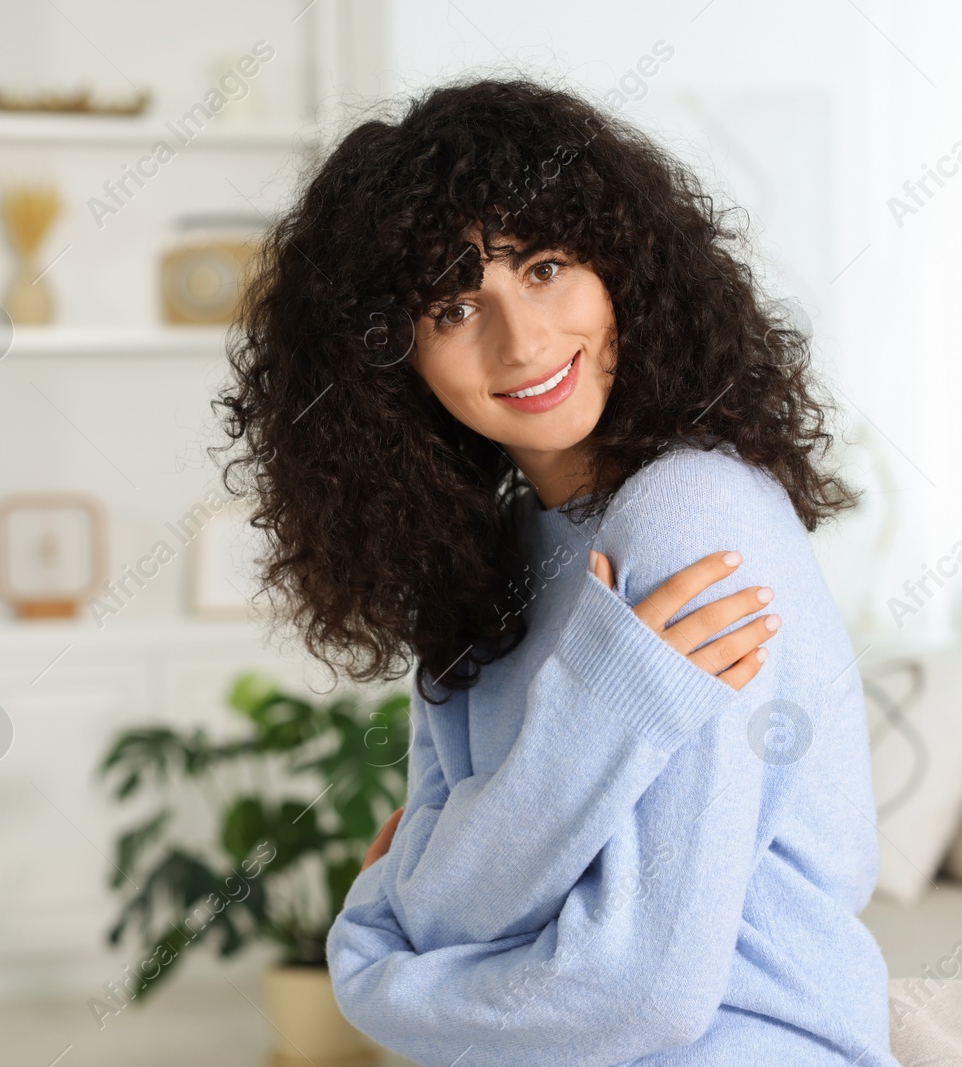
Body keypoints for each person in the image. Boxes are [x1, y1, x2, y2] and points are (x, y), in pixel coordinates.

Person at [218, 77, 899, 1067]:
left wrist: (371, 965)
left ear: (624, 261)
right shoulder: (488, 561)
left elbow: (645, 993)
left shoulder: (688, 512)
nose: (521, 339)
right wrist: (605, 712)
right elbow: (450, 906)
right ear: (390, 360)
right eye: (453, 305)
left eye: (543, 266)